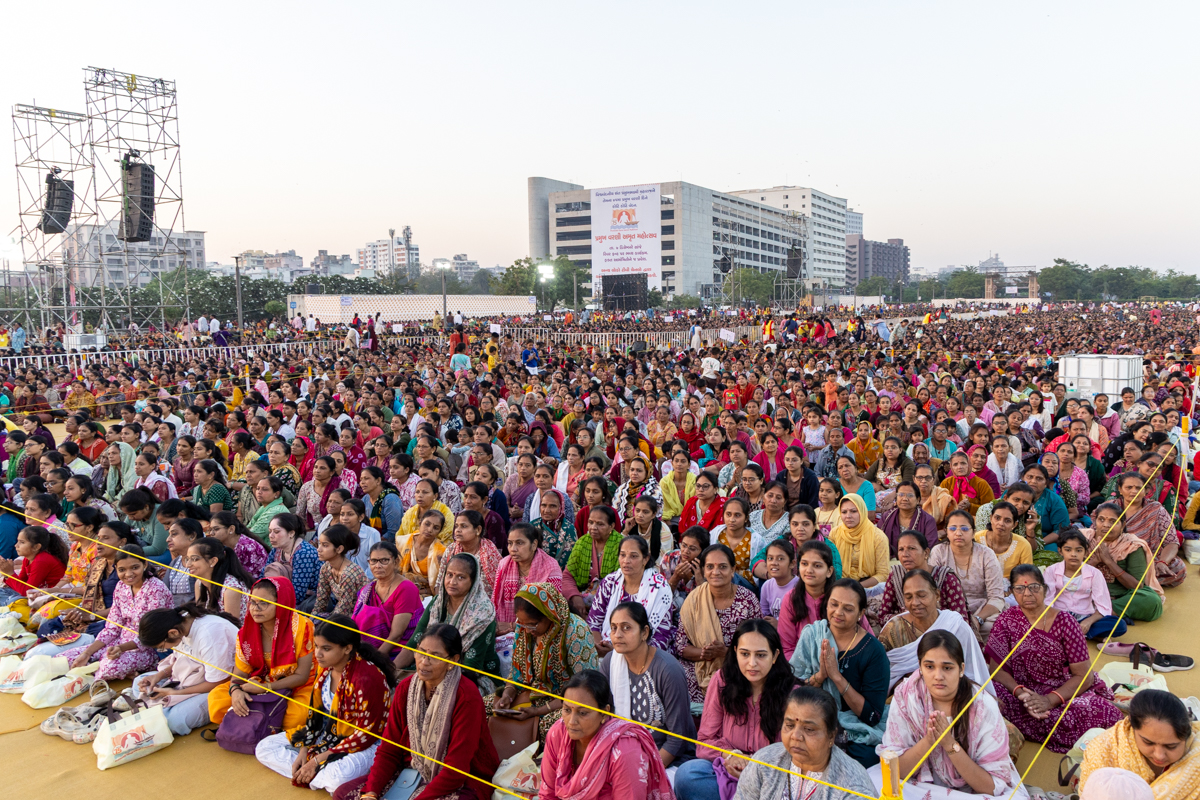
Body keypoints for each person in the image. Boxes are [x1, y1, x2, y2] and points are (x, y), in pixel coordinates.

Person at [335, 623, 500, 800]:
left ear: (453, 661)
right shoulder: (405, 689)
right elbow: (389, 749)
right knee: (344, 794)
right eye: (421, 652)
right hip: (411, 770)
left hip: (463, 778)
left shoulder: (466, 696)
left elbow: (456, 768)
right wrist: (371, 792)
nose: (423, 662)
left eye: (434, 656)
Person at [984, 564, 1122, 753]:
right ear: (1012, 592)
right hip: (1020, 690)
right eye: (1020, 588)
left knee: (1101, 712)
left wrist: (1049, 701)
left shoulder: (1066, 622)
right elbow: (995, 669)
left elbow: (1084, 676)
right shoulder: (1006, 620)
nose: (1027, 594)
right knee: (987, 699)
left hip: (1059, 689)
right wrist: (1021, 694)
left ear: (1045, 589)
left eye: (1034, 587)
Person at [873, 630, 1026, 800]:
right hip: (919, 785)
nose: (938, 676)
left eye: (947, 667)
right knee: (873, 785)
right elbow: (896, 770)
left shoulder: (982, 706)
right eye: (929, 666)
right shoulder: (906, 695)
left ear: (961, 669)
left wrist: (949, 744)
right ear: (920, 667)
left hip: (971, 792)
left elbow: (991, 787)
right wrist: (928, 741)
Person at [255, 615, 395, 792]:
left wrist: (316, 760)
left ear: (347, 648)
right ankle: (312, 773)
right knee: (264, 748)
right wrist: (305, 751)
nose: (318, 654)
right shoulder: (325, 671)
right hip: (327, 736)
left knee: (336, 778)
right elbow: (314, 721)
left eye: (326, 648)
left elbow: (366, 735)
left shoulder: (367, 678)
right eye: (316, 646)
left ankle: (312, 772)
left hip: (362, 746)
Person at [675, 619, 797, 800]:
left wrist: (754, 768)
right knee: (688, 775)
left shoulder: (792, 694)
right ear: (735, 652)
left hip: (771, 778)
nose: (752, 663)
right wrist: (732, 755)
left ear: (775, 655)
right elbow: (704, 742)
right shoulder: (722, 681)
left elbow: (794, 755)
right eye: (745, 654)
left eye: (761, 655)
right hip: (729, 771)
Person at [789, 578, 889, 768]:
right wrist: (819, 677)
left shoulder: (873, 651)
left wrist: (836, 677)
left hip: (853, 729)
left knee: (866, 757)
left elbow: (872, 716)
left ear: (860, 614)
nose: (838, 612)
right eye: (833, 604)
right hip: (811, 719)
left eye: (848, 609)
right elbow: (792, 688)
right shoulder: (813, 635)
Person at [538, 670, 674, 800]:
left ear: (604, 713)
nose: (571, 721)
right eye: (567, 710)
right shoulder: (558, 733)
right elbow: (547, 794)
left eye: (583, 713)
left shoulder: (624, 750)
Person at [490, 582, 598, 742]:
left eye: (533, 624)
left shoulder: (576, 632)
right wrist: (508, 694)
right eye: (522, 623)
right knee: (484, 707)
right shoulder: (524, 628)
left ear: (550, 614)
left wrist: (538, 711)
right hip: (530, 694)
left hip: (565, 701)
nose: (527, 630)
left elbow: (584, 688)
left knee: (554, 728)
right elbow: (516, 672)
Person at [208, 576, 317, 732]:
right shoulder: (245, 633)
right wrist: (236, 691)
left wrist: (267, 687)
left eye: (263, 603)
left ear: (281, 603)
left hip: (297, 686)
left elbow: (302, 676)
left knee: (297, 715)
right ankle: (262, 720)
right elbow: (239, 674)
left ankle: (253, 721)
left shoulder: (302, 627)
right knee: (216, 701)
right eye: (252, 602)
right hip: (258, 683)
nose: (255, 609)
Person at [599, 601, 696, 771]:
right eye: (614, 628)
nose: (617, 635)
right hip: (623, 756)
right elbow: (601, 716)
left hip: (668, 761)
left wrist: (642, 773)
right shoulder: (610, 663)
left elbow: (677, 739)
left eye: (626, 627)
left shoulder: (668, 670)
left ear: (644, 632)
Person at [732, 685, 876, 800]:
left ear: (831, 736)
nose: (795, 736)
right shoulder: (764, 761)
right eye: (789, 725)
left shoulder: (854, 787)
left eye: (809, 729)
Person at [132, 601, 240, 736]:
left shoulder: (209, 634)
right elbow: (183, 659)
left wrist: (174, 693)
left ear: (172, 633)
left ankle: (166, 709)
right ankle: (164, 707)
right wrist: (158, 676)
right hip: (194, 677)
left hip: (222, 686)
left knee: (174, 720)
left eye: (161, 646)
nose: (163, 649)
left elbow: (218, 681)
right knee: (139, 681)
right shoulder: (181, 627)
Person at [876, 569, 991, 693]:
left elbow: (971, 671)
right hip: (907, 697)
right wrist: (914, 687)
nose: (915, 602)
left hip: (953, 694)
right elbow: (880, 672)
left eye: (922, 595)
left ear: (937, 595)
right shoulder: (894, 628)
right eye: (909, 597)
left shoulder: (955, 625)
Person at [675, 543, 761, 708]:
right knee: (676, 675)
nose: (716, 572)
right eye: (710, 567)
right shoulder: (694, 600)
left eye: (722, 566)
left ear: (733, 569)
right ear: (703, 570)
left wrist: (725, 653)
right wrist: (706, 654)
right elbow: (681, 646)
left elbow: (759, 645)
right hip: (698, 667)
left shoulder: (748, 600)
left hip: (738, 667)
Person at [402, 552, 500, 694]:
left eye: (461, 577)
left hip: (470, 677)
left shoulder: (483, 614)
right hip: (430, 669)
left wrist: (432, 684)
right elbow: (414, 644)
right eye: (449, 575)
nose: (452, 582)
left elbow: (471, 667)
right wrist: (390, 670)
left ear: (473, 581)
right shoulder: (437, 604)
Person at [1080, 689, 1200, 800]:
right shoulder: (1102, 751)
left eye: (1171, 746)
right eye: (1148, 742)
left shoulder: (1196, 760)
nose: (1159, 755)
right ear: (1132, 728)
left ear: (1187, 736)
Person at [587, 535, 674, 654]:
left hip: (645, 654)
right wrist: (598, 646)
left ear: (645, 559)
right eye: (622, 555)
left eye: (633, 556)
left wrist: (617, 652)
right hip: (606, 649)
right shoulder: (610, 583)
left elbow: (661, 638)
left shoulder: (660, 589)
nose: (626, 561)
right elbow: (593, 623)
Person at [1081, 502, 1164, 626]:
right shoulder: (1083, 538)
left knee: (1152, 601)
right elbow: (1069, 575)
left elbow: (1137, 586)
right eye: (1101, 520)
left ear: (1122, 525)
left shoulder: (1131, 545)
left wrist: (1108, 561)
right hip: (1086, 593)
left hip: (1120, 596)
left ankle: (1098, 614)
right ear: (1095, 522)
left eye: (1113, 521)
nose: (1106, 525)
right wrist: (1095, 561)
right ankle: (1110, 615)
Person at [930, 510, 1006, 639]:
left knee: (995, 626)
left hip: (982, 608)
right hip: (948, 608)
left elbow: (996, 597)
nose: (958, 533)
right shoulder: (939, 552)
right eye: (953, 528)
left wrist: (978, 619)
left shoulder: (986, 554)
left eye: (964, 529)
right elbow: (933, 590)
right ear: (946, 532)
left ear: (973, 532)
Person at [876, 530, 971, 630]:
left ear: (926, 553)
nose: (905, 554)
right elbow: (883, 617)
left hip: (944, 636)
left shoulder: (946, 578)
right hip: (907, 633)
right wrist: (906, 618)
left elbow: (961, 620)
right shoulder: (896, 576)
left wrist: (931, 618)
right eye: (901, 549)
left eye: (911, 548)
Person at [1116, 471, 1187, 588]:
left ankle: (1126, 581)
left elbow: (1171, 541)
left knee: (1178, 569)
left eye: (1139, 488)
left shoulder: (1156, 509)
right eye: (1129, 487)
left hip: (1149, 560)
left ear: (1146, 491)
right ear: (1120, 489)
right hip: (1118, 558)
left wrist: (1163, 562)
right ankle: (1138, 581)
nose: (1134, 491)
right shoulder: (1111, 507)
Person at [352, 541, 422, 657]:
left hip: (398, 650)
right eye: (373, 561)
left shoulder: (406, 588)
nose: (377, 566)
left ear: (395, 562)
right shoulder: (368, 590)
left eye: (384, 561)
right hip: (368, 648)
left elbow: (396, 635)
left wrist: (373, 658)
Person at [493, 522, 564, 634]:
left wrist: (514, 625)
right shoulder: (504, 564)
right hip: (505, 629)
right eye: (510, 543)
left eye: (519, 543)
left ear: (534, 544)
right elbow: (496, 600)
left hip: (539, 630)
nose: (513, 549)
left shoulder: (550, 568)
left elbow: (552, 610)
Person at [827, 493, 889, 588]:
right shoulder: (835, 533)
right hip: (839, 584)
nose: (848, 516)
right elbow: (830, 565)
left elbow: (883, 574)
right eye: (844, 512)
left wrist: (856, 587)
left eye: (854, 511)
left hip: (868, 586)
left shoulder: (878, 536)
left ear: (862, 511)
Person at [266, 513, 322, 611]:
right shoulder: (277, 549)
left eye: (276, 531)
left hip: (309, 600)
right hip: (280, 594)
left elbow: (298, 594)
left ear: (291, 533)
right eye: (270, 531)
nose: (271, 536)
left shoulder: (303, 553)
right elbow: (264, 573)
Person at [314, 524, 369, 618]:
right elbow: (321, 599)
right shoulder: (326, 567)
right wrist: (311, 620)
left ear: (339, 549)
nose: (319, 549)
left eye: (325, 545)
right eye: (319, 544)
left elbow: (343, 609)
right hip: (341, 613)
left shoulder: (349, 574)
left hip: (359, 616)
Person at [974, 500, 1034, 581]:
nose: (1001, 523)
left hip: (1010, 589)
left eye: (1007, 521)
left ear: (1014, 525)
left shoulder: (1023, 545)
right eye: (997, 518)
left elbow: (1026, 576)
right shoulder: (976, 538)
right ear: (991, 518)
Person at [395, 508, 447, 598]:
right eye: (427, 524)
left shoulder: (441, 552)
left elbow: (439, 584)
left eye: (436, 528)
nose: (430, 529)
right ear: (420, 522)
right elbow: (394, 570)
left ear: (440, 531)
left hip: (426, 593)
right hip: (399, 586)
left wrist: (417, 591)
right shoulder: (403, 541)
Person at [210, 509, 268, 580]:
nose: (211, 533)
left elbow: (247, 578)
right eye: (210, 529)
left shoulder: (248, 547)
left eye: (216, 529)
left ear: (231, 529)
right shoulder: (223, 545)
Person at [941, 450, 995, 517]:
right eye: (955, 464)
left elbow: (990, 508)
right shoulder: (946, 483)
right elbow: (940, 507)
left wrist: (970, 506)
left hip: (975, 524)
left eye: (963, 463)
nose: (959, 467)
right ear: (951, 467)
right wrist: (955, 507)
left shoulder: (981, 484)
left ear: (969, 464)